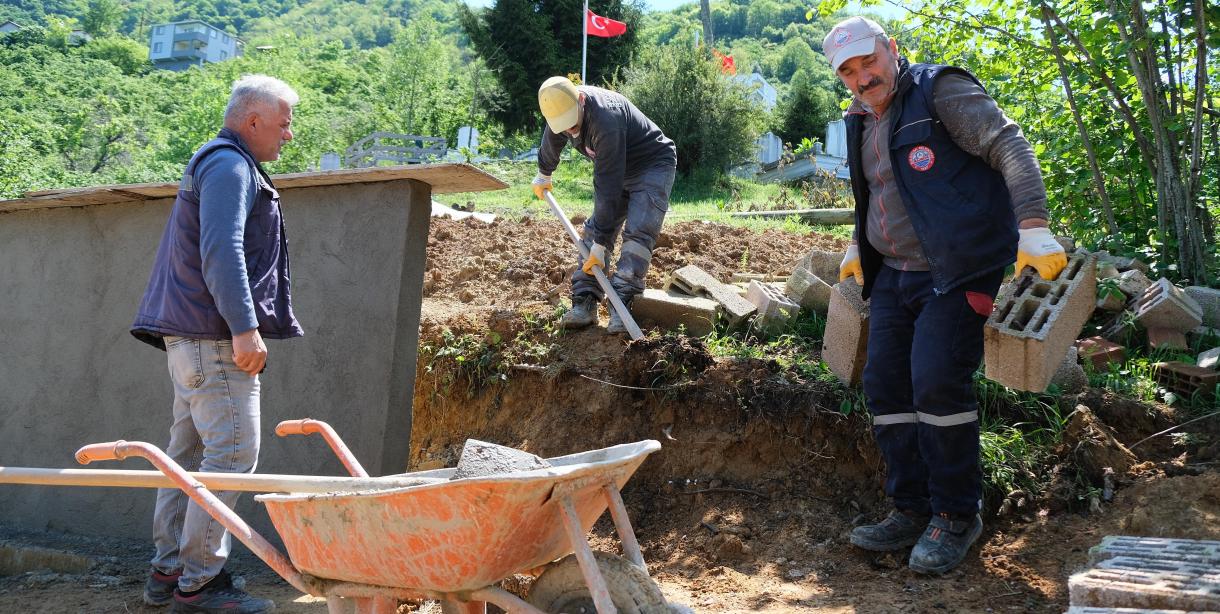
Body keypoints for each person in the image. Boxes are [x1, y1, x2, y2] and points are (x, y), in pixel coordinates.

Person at [823, 17, 1066, 575]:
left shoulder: (940, 92)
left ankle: (957, 514)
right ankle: (910, 507)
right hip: (895, 274)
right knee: (885, 383)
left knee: (936, 379)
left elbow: (1010, 145)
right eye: (850, 71)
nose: (863, 77)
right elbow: (878, 193)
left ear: (892, 50)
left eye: (870, 61)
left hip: (958, 270)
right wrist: (859, 246)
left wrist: (1033, 225)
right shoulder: (859, 119)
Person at [130, 74, 302, 613]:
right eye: (283, 123)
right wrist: (244, 328)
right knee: (231, 454)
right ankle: (200, 585)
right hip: (214, 341)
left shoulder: (220, 162)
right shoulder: (230, 166)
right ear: (253, 121)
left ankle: (169, 572)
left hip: (191, 341)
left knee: (188, 457)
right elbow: (222, 249)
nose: (288, 135)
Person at [532, 76, 678, 334]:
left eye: (573, 124)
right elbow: (553, 136)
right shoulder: (558, 108)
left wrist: (600, 244)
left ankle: (623, 304)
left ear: (580, 99)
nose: (570, 131)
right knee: (595, 232)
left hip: (651, 165)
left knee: (638, 234)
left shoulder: (606, 119)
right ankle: (584, 302)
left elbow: (608, 188)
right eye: (563, 127)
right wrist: (544, 172)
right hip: (617, 167)